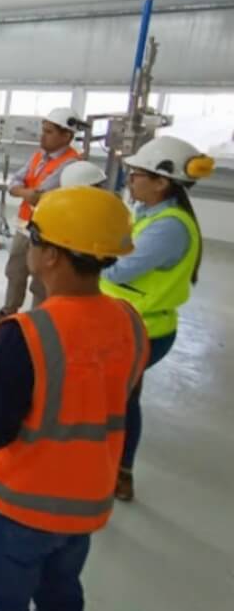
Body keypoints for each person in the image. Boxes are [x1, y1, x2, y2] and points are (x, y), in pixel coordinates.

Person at [0, 186, 148, 611]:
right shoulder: (130, 322)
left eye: (34, 236)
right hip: (84, 504)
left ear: (52, 256)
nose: (29, 244)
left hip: (18, 507)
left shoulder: (24, 333)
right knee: (61, 594)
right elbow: (113, 396)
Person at [101, 136, 215, 501]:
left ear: (161, 181)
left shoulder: (169, 227)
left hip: (144, 329)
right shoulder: (149, 213)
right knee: (121, 397)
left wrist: (84, 256)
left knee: (119, 402)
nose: (130, 180)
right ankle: (115, 468)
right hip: (128, 322)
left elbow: (120, 270)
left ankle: (119, 473)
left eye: (136, 174)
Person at [0, 108, 83, 329]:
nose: (42, 136)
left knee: (41, 281)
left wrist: (25, 191)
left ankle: (38, 325)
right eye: (43, 130)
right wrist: (25, 191)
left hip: (48, 232)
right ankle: (8, 313)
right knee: (14, 271)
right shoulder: (38, 156)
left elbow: (40, 194)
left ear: (66, 136)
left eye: (49, 132)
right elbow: (16, 181)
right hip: (25, 225)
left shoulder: (71, 163)